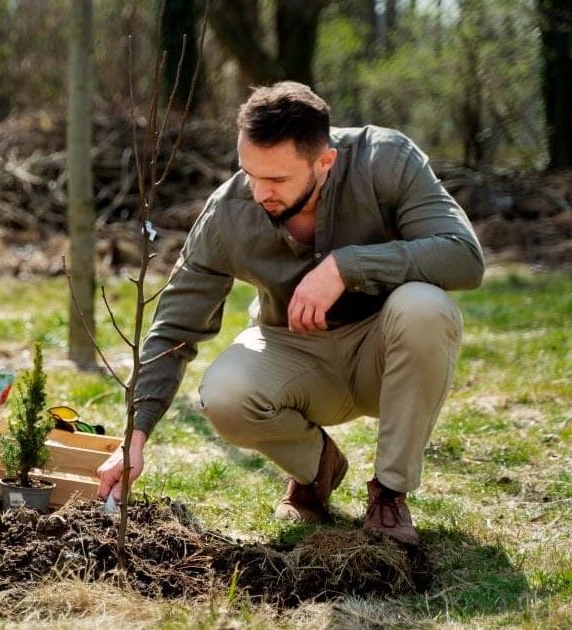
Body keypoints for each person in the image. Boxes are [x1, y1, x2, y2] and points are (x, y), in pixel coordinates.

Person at [96, 82, 484, 545]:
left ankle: (389, 494)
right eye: (249, 173)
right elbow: (174, 326)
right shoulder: (229, 210)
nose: (260, 193)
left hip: (384, 354)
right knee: (224, 393)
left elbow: (464, 257)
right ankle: (316, 469)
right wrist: (134, 436)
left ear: (325, 161)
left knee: (427, 307)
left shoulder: (387, 160)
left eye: (277, 180)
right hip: (292, 352)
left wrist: (348, 266)